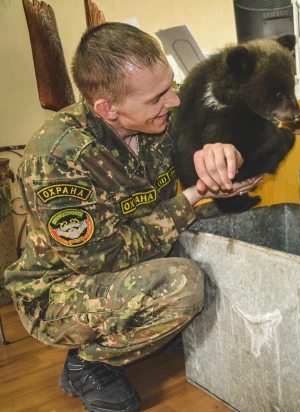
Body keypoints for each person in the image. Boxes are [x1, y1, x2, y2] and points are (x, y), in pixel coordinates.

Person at [4, 22, 262, 412]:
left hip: (136, 259)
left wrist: (226, 154)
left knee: (218, 239)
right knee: (185, 285)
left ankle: (146, 324)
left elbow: (226, 134)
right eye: (158, 96)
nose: (174, 101)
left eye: (171, 85)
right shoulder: (59, 156)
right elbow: (100, 258)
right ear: (108, 109)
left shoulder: (160, 120)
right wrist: (193, 197)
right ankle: (91, 361)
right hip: (60, 289)